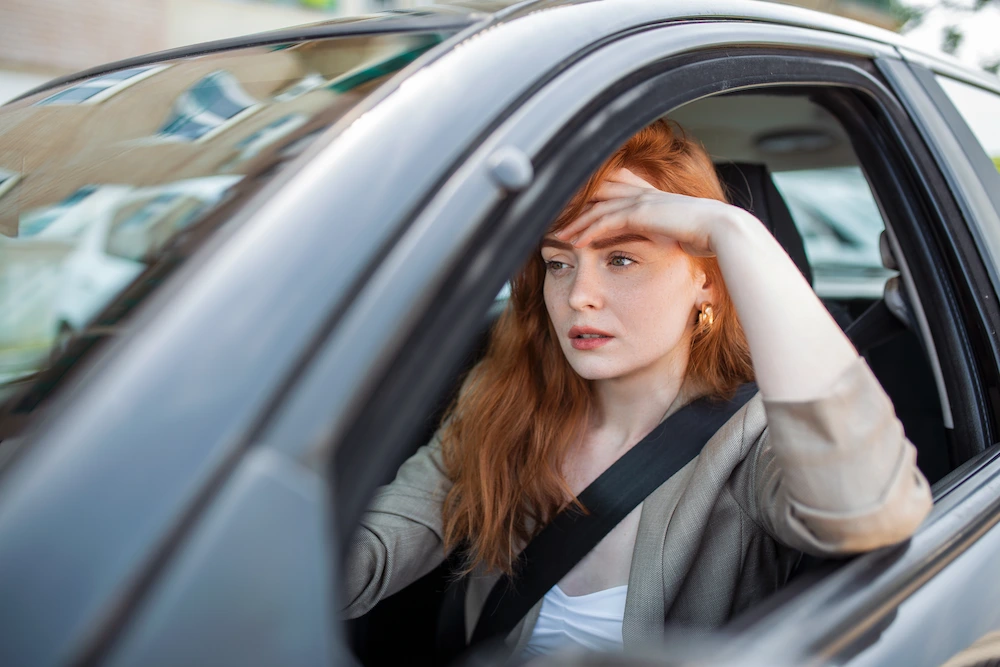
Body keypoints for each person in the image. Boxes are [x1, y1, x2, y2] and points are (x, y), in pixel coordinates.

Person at [341, 119, 933, 659]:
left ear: (706, 278)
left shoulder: (752, 440)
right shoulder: (504, 403)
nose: (577, 296)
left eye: (621, 258)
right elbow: (372, 549)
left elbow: (867, 511)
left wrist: (734, 230)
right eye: (558, 263)